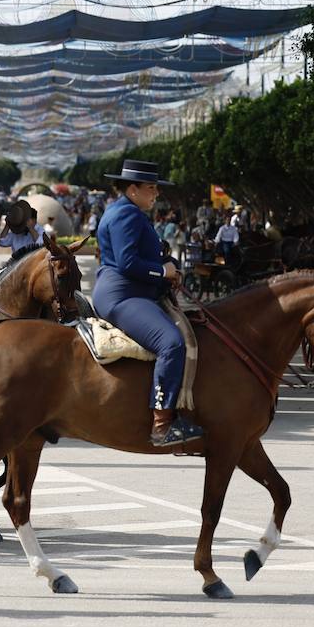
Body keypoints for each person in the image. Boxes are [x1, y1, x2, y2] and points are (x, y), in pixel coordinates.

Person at [91, 160, 201, 448]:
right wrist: (162, 272)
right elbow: (127, 263)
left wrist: (168, 267)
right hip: (123, 295)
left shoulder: (125, 210)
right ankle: (162, 424)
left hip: (130, 290)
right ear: (133, 189)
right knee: (171, 343)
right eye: (151, 188)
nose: (156, 193)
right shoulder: (126, 214)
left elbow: (142, 256)